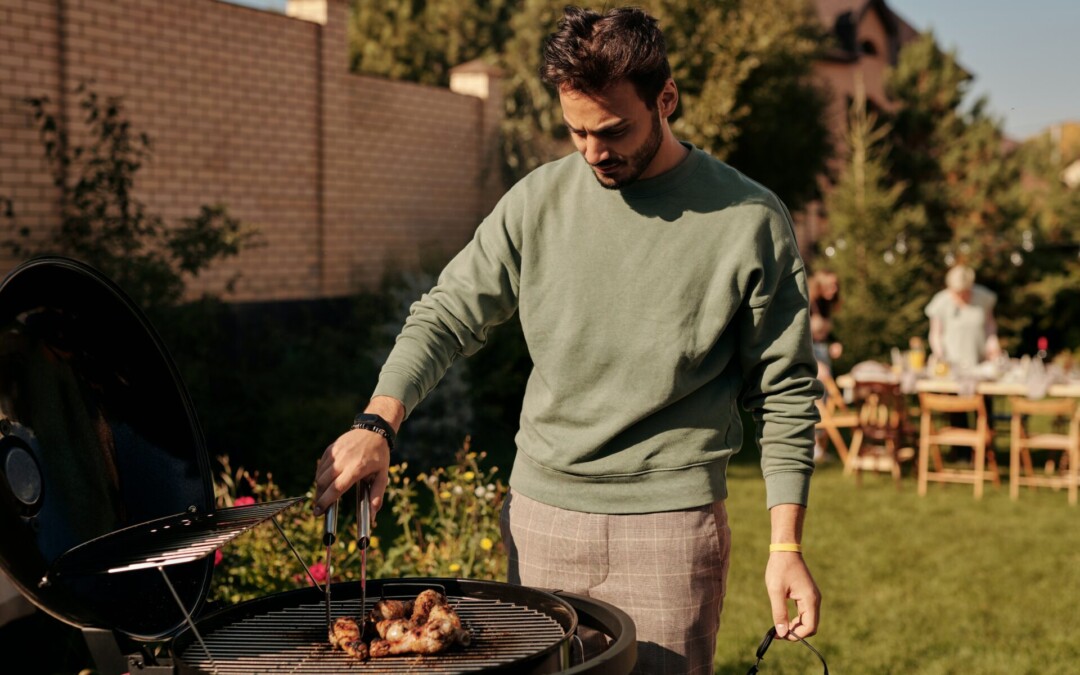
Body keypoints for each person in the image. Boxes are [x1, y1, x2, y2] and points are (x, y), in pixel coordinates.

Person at [314, 7, 822, 673]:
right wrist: (376, 421)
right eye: (575, 129)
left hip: (670, 528)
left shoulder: (749, 218)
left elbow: (785, 390)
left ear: (665, 99)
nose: (591, 151)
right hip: (541, 517)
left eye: (612, 131)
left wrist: (785, 544)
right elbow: (446, 314)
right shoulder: (537, 202)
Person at [925, 264, 1001, 371]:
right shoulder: (940, 302)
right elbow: (935, 334)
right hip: (951, 364)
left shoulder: (983, 298)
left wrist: (992, 343)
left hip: (979, 362)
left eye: (964, 291)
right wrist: (940, 356)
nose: (961, 295)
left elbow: (990, 325)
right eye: (957, 292)